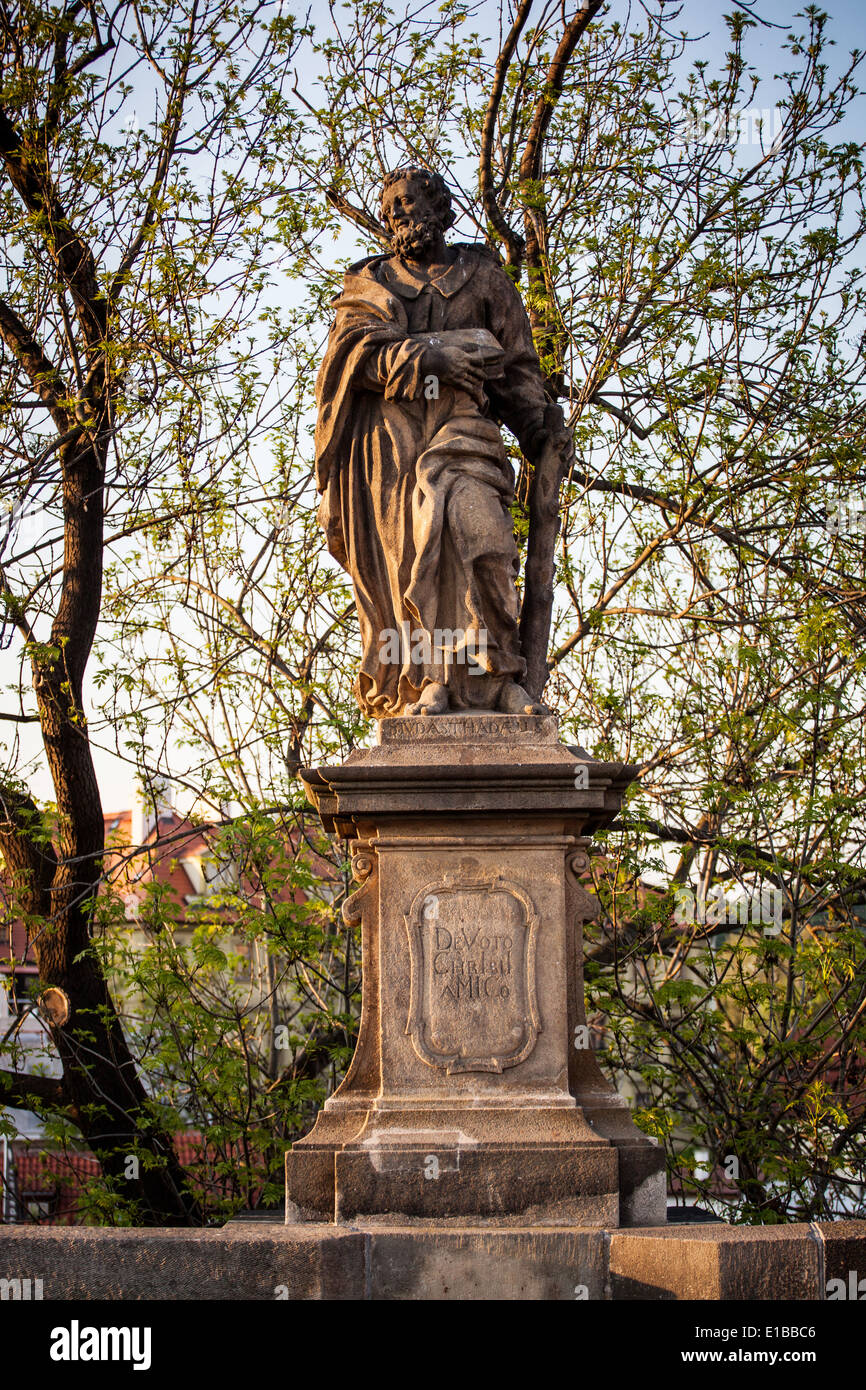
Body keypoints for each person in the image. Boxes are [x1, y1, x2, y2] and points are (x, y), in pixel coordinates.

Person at [315, 165, 570, 717]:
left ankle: (498, 677)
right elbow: (347, 364)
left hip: (465, 433)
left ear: (441, 207)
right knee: (413, 561)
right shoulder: (371, 287)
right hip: (391, 448)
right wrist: (431, 358)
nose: (398, 214)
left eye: (408, 201)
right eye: (390, 209)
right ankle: (430, 679)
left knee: (486, 539)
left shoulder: (484, 281)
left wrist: (539, 429)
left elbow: (517, 373)